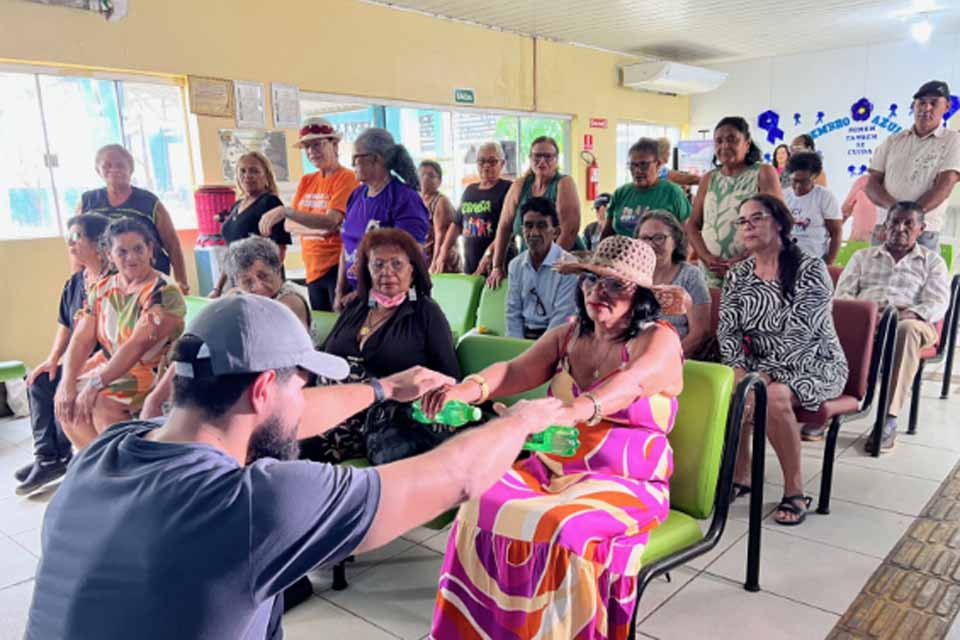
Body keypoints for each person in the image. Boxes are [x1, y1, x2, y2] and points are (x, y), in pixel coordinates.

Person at [26, 294, 566, 640]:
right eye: (300, 382)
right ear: (264, 387)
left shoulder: (109, 450)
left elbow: (276, 423)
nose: (304, 395)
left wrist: (382, 389)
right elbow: (458, 476)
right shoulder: (255, 503)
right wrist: (520, 421)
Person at [423, 235, 686, 638]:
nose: (600, 291)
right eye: (592, 280)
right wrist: (463, 389)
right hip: (550, 466)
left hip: (626, 481)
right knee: (476, 501)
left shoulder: (659, 339)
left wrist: (570, 411)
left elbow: (630, 384)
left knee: (562, 528)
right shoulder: (569, 333)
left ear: (642, 298)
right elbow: (512, 372)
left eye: (617, 284)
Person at [719, 194, 847, 525]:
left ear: (779, 222)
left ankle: (794, 489)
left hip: (814, 361)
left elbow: (803, 334)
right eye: (742, 221)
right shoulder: (739, 275)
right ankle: (741, 474)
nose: (748, 226)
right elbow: (728, 330)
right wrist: (738, 370)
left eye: (756, 218)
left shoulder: (810, 268)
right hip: (760, 366)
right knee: (732, 387)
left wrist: (761, 375)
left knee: (771, 395)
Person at [300, 228, 460, 464]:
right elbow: (324, 355)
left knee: (299, 443)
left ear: (412, 270)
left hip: (377, 418)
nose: (387, 272)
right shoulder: (358, 307)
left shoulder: (425, 311)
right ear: (367, 269)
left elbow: (450, 376)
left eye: (397, 264)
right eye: (378, 264)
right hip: (329, 404)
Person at [140, 236, 312, 421]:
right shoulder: (236, 296)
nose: (258, 286)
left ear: (277, 269)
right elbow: (197, 339)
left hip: (282, 382)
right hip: (246, 379)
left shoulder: (289, 301)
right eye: (247, 281)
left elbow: (274, 360)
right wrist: (156, 397)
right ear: (237, 282)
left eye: (263, 276)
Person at [53, 218, 186, 449]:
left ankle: (122, 468)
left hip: (152, 368)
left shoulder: (163, 291)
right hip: (110, 362)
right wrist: (67, 382)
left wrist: (95, 383)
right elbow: (82, 338)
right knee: (66, 400)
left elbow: (136, 346)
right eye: (122, 251)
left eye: (138, 249)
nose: (131, 257)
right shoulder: (103, 287)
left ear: (150, 250)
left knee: (102, 403)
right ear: (109, 253)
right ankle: (101, 466)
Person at [834, 202, 950, 452]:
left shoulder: (933, 262)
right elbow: (842, 294)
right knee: (835, 326)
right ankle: (832, 405)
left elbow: (938, 303)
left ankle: (889, 418)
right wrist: (867, 315)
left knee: (905, 330)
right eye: (894, 222)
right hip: (867, 320)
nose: (900, 228)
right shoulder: (862, 257)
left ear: (921, 228)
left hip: (913, 324)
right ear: (885, 227)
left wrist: (909, 313)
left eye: (908, 223)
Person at [15, 214, 112, 496]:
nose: (70, 244)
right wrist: (52, 358)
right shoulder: (75, 282)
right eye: (68, 237)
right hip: (75, 356)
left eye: (76, 237)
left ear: (98, 243)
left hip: (101, 358)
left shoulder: (112, 281)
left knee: (64, 386)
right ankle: (48, 456)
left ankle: (59, 457)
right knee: (40, 379)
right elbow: (65, 324)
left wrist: (72, 368)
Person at [258, 117, 359, 312]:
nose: (312, 151)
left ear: (335, 144)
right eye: (307, 147)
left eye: (318, 144)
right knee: (320, 328)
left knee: (340, 328)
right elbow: (288, 225)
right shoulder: (307, 180)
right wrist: (316, 227)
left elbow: (330, 221)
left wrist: (288, 212)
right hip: (312, 268)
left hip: (337, 268)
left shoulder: (347, 178)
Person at [334, 127, 430, 311]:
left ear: (376, 158)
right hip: (356, 298)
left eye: (356, 158)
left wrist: (366, 293)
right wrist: (339, 291)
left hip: (394, 301)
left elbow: (409, 255)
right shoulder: (356, 195)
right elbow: (346, 246)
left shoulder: (404, 198)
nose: (352, 165)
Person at [686, 116, 784, 287]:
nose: (724, 146)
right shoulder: (709, 178)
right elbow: (693, 225)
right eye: (719, 141)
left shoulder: (763, 172)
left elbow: (779, 222)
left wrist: (743, 259)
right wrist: (706, 257)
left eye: (732, 140)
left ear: (747, 144)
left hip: (754, 272)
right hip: (711, 275)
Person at [79, 143, 190, 293]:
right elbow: (77, 247)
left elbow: (173, 245)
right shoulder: (88, 202)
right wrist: (78, 284)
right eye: (107, 165)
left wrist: (181, 283)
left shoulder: (149, 202)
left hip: (148, 283)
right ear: (98, 170)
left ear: (130, 168)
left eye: (120, 165)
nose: (114, 170)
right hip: (104, 284)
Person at [866, 80, 960, 251]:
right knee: (875, 277)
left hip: (923, 231)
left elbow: (945, 185)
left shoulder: (953, 141)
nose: (926, 108)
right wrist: (894, 213)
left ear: (946, 107)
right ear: (913, 106)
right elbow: (872, 184)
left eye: (933, 103)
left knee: (919, 278)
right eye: (921, 103)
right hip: (885, 228)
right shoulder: (893, 140)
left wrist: (909, 219)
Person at [487, 136, 581, 288]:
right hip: (531, 259)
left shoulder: (564, 183)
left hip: (563, 260)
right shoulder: (520, 185)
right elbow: (504, 226)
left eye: (548, 157)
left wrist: (550, 269)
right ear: (530, 158)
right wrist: (497, 266)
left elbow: (568, 231)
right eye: (537, 156)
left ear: (556, 160)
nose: (542, 161)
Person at [211, 152, 291, 297]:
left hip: (262, 285)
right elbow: (231, 252)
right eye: (243, 171)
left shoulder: (270, 202)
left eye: (254, 171)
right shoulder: (237, 205)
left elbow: (280, 248)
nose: (247, 175)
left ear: (266, 176)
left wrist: (264, 282)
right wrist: (218, 288)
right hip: (240, 281)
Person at [638, 211, 712, 358]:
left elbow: (700, 333)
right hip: (633, 356)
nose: (651, 244)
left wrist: (665, 360)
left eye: (659, 238)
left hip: (676, 358)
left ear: (676, 241)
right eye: (645, 238)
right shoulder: (632, 276)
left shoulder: (690, 276)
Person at [433, 141, 513, 275]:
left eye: (492, 161)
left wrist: (489, 254)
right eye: (481, 162)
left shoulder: (508, 189)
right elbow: (457, 224)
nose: (486, 166)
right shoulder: (470, 190)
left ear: (502, 164)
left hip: (498, 265)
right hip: (471, 263)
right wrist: (443, 252)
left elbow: (509, 228)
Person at [505, 197, 578, 339]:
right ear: (522, 230)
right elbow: (513, 313)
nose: (534, 233)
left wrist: (535, 354)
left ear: (556, 232)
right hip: (523, 338)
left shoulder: (569, 265)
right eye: (528, 225)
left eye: (542, 225)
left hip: (557, 340)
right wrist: (515, 348)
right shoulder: (515, 266)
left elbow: (562, 317)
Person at [601, 137, 692, 239]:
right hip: (622, 253)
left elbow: (689, 234)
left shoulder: (673, 192)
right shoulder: (620, 193)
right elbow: (607, 233)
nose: (637, 171)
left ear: (657, 164)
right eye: (633, 165)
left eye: (643, 165)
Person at [783, 152, 843, 263]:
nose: (798, 186)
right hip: (786, 257)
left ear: (815, 176)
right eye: (795, 181)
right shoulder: (783, 195)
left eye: (804, 181)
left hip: (814, 258)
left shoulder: (825, 197)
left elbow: (836, 232)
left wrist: (829, 262)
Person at [419, 160, 461, 273]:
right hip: (424, 259)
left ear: (439, 181)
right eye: (422, 175)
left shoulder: (441, 201)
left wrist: (435, 263)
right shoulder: (417, 200)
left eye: (431, 175)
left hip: (442, 262)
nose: (425, 178)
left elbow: (441, 235)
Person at [842, 173, 878, 242]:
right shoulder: (864, 180)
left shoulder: (898, 186)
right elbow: (845, 211)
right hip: (856, 242)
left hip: (881, 245)